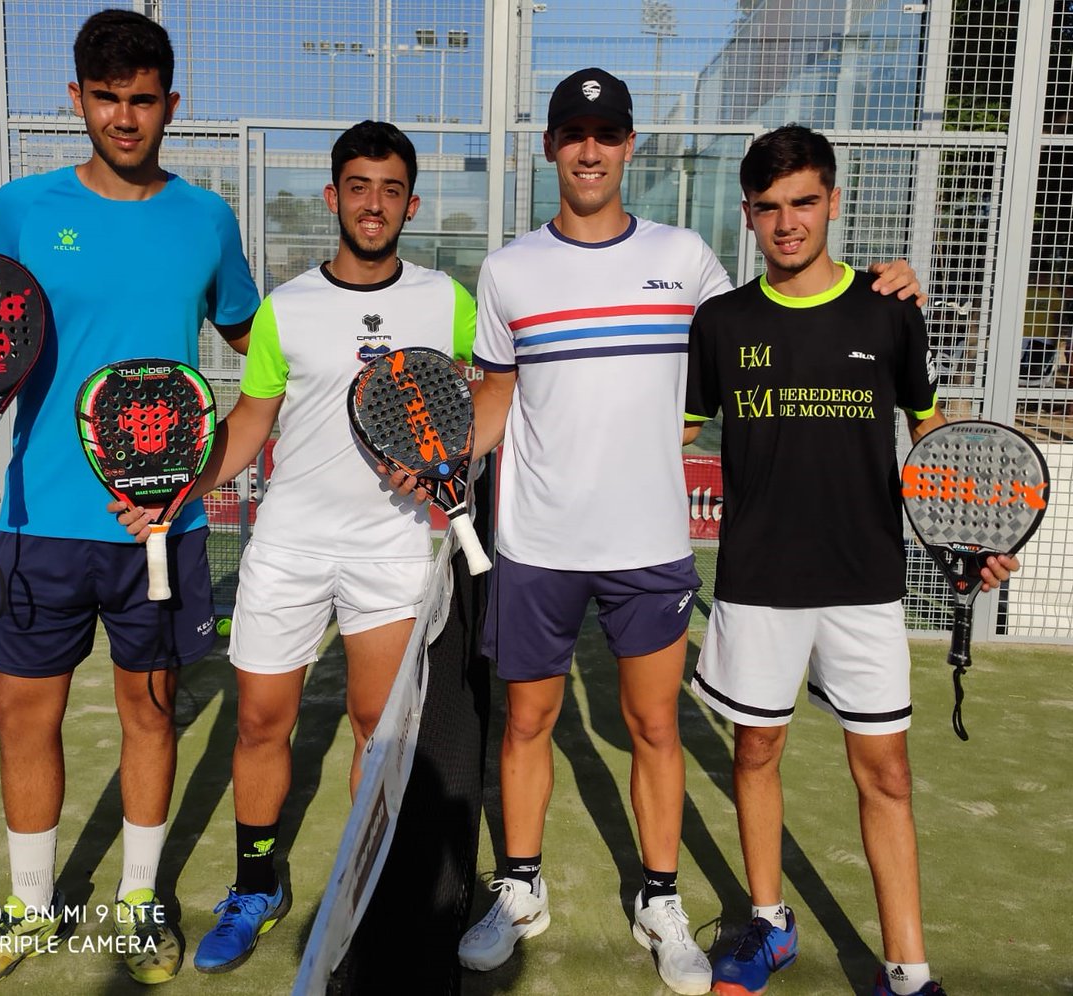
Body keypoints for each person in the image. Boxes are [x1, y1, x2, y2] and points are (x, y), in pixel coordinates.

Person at [455, 70, 922, 996]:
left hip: (651, 545)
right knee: (528, 724)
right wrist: (439, 455)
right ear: (550, 147)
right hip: (537, 544)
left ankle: (660, 898)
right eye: (572, 133)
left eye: (607, 132)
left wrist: (886, 277)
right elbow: (497, 396)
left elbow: (789, 298)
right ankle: (519, 888)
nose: (589, 149)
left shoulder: (690, 260)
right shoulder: (508, 271)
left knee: (653, 725)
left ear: (629, 146)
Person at [0, 9, 260, 990]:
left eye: (142, 101)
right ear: (77, 101)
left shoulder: (208, 220)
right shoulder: (19, 208)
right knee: (24, 716)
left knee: (152, 712)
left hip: (155, 526)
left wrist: (206, 472)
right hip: (36, 518)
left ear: (172, 103)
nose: (125, 119)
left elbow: (261, 356)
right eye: (106, 99)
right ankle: (29, 908)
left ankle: (140, 903)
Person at [115, 120, 476, 974]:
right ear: (334, 197)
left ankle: (367, 891)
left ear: (411, 203)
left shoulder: (450, 301)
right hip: (287, 545)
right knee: (261, 723)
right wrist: (185, 487)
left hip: (390, 547)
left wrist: (463, 462)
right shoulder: (285, 307)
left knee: (375, 731)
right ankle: (256, 885)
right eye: (359, 187)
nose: (374, 204)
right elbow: (249, 422)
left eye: (391, 190)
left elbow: (495, 386)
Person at [683, 125, 1018, 996]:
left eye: (803, 202)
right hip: (757, 582)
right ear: (749, 216)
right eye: (769, 208)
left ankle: (908, 973)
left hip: (865, 582)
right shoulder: (720, 324)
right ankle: (768, 923)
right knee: (755, 752)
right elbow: (671, 440)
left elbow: (931, 436)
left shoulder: (888, 307)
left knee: (887, 772)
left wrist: (967, 535)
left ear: (832, 201)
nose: (787, 222)